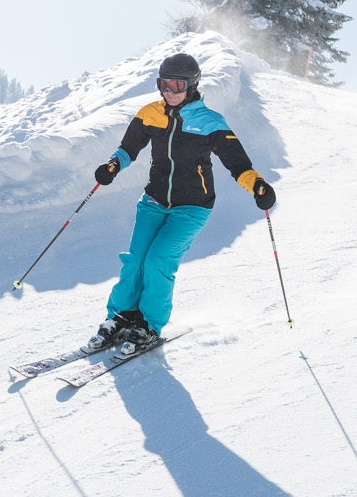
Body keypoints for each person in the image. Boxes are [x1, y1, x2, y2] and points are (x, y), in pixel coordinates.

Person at [86, 52, 276, 355]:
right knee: (136, 260)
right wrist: (113, 165)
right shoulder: (150, 113)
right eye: (163, 84)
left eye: (176, 85)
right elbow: (128, 149)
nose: (168, 92)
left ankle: (149, 324)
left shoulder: (210, 122)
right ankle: (122, 316)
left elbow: (237, 164)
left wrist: (258, 186)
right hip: (153, 202)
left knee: (159, 260)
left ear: (192, 85)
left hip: (192, 207)